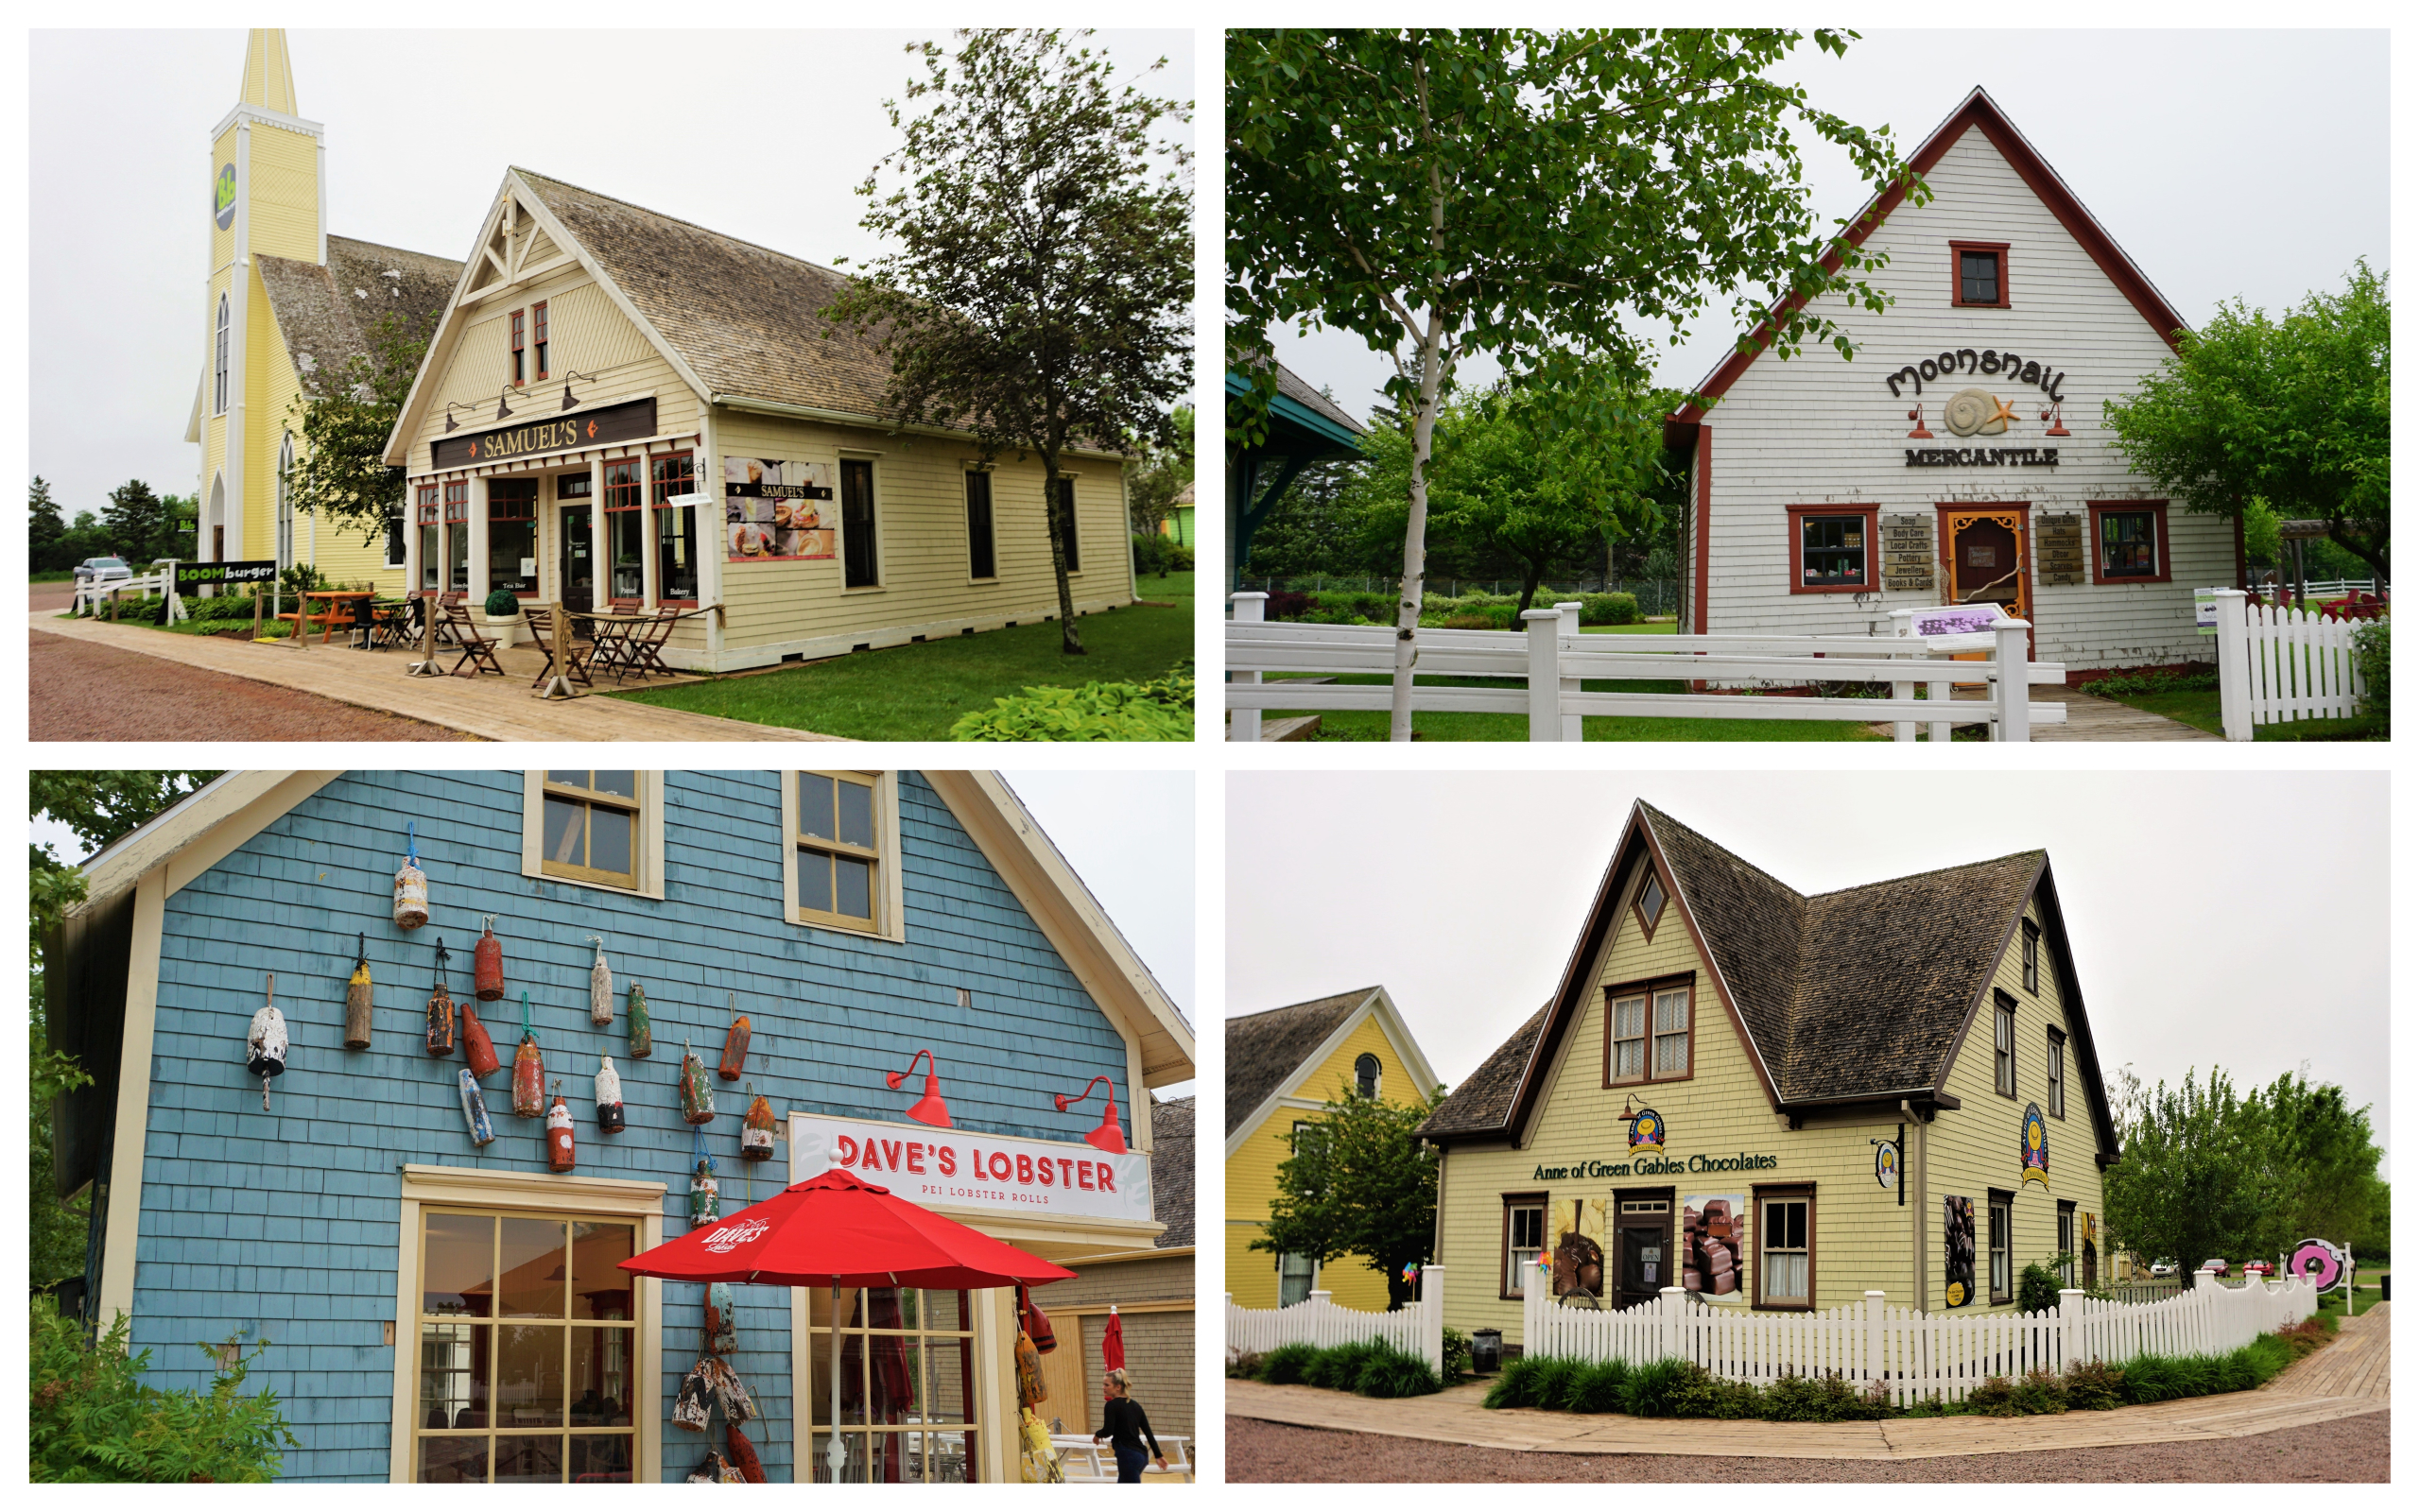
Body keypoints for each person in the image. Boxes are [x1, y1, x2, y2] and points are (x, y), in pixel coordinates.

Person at [1091, 1367, 1167, 1483]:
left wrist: (1097, 1435)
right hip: (1141, 1455)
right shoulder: (1136, 1406)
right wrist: (1158, 1455)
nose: (1103, 1388)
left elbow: (1108, 1431)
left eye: (1107, 1385)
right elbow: (1148, 1433)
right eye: (1103, 1385)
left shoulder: (1111, 1406)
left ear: (1118, 1387)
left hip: (1128, 1455)